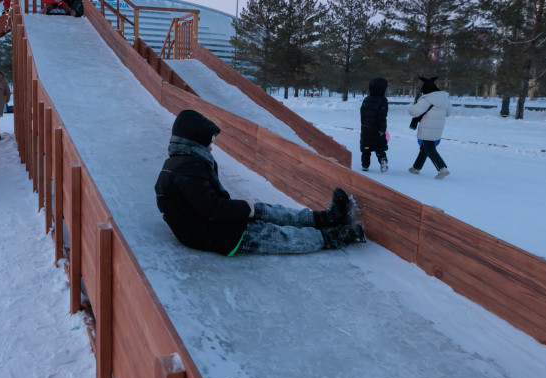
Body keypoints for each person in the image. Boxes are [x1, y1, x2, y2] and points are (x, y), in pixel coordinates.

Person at [155, 109, 365, 256]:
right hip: (212, 234)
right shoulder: (185, 167)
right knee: (276, 235)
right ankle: (334, 237)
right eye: (209, 142)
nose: (211, 147)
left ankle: (325, 218)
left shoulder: (184, 162)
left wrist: (247, 210)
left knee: (266, 210)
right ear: (195, 142)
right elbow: (212, 209)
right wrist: (244, 209)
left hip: (212, 224)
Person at [408, 76, 452, 179]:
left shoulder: (427, 99)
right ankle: (416, 167)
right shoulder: (444, 99)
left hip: (427, 127)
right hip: (438, 127)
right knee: (425, 147)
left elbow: (414, 112)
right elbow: (449, 113)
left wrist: (411, 107)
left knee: (429, 149)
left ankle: (442, 168)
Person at [359, 77, 389, 172]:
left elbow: (362, 113)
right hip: (377, 128)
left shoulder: (367, 99)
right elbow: (382, 116)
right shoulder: (382, 100)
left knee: (366, 147)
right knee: (379, 146)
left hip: (366, 127)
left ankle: (365, 164)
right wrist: (382, 129)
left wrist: (364, 125)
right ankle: (383, 161)